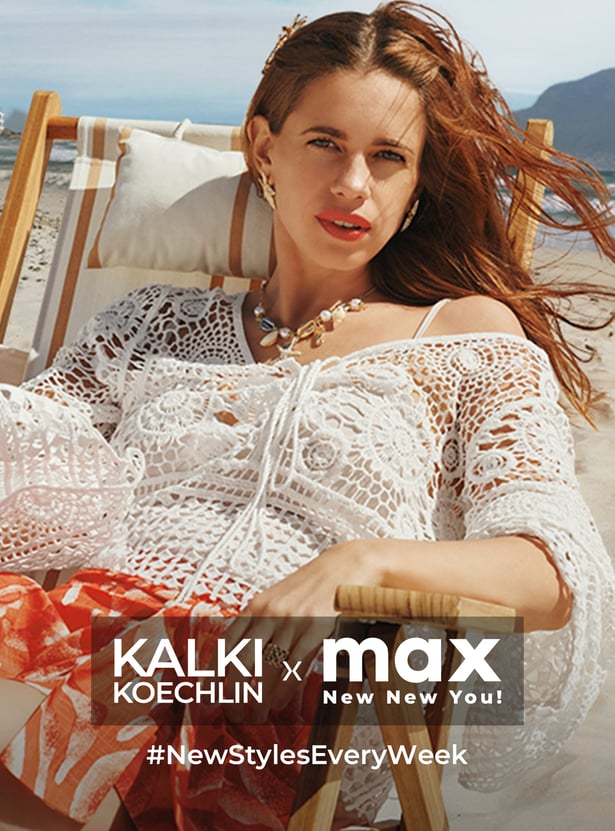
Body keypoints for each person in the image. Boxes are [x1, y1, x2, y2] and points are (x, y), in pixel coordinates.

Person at [1, 2, 614, 829]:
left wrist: (363, 564)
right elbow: (29, 446)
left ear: (415, 185)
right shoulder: (146, 322)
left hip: (296, 685)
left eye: (388, 157)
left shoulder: (465, 337)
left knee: (122, 674)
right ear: (264, 148)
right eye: (325, 142)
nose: (353, 184)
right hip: (91, 645)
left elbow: (549, 577)